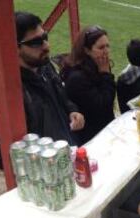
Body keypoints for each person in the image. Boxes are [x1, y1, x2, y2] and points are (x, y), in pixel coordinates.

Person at [15, 11, 84, 145]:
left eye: (45, 37)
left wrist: (72, 110)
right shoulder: (13, 91)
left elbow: (62, 95)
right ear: (15, 47)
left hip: (69, 149)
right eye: (36, 42)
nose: (46, 46)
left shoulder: (45, 66)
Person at [61, 25, 115, 145]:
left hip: (102, 130)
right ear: (86, 50)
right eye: (101, 47)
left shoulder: (98, 65)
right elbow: (104, 105)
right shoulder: (78, 78)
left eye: (107, 46)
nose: (106, 51)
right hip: (90, 137)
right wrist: (106, 74)